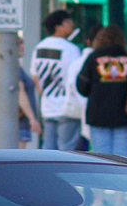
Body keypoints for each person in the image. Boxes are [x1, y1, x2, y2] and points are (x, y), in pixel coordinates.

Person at [75, 24, 127, 156]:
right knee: (123, 158)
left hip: (98, 114)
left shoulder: (93, 57)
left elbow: (82, 87)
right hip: (125, 114)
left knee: (102, 158)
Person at [25, 10, 88, 151]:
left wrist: (45, 95)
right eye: (68, 22)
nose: (72, 25)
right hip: (67, 107)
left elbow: (35, 76)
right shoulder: (71, 49)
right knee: (67, 150)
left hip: (47, 107)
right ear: (58, 27)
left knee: (48, 150)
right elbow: (76, 77)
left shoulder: (39, 47)